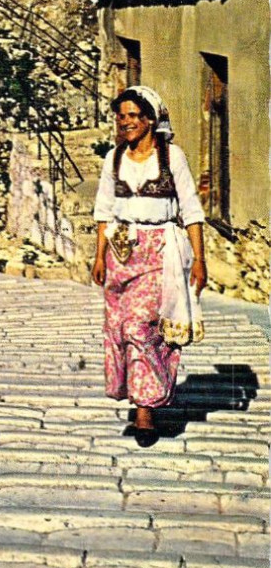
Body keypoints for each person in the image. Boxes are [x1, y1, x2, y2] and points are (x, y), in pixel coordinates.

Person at [91, 85, 207, 444]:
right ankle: (140, 394)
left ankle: (145, 413)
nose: (124, 122)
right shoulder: (114, 158)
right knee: (119, 328)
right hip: (120, 251)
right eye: (120, 116)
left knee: (141, 328)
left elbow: (190, 209)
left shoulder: (172, 157)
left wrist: (199, 259)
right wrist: (98, 256)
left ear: (150, 120)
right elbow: (103, 210)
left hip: (160, 252)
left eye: (132, 116)